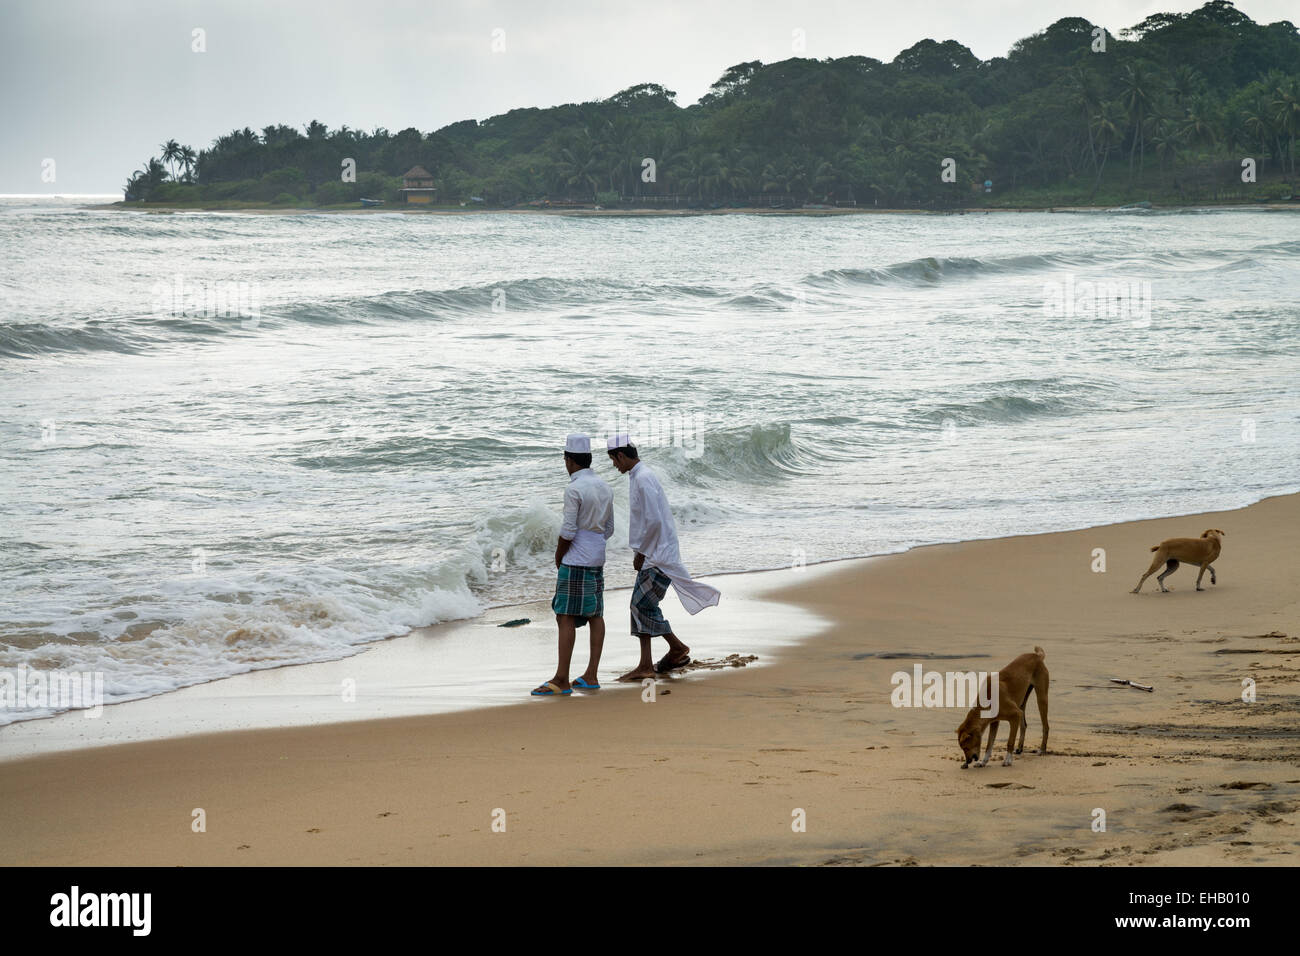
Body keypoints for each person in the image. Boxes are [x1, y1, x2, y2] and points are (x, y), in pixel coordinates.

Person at [605, 433, 720, 681]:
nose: (614, 466)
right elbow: (650, 519)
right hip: (657, 553)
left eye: (614, 460)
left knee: (640, 605)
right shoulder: (640, 476)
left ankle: (672, 650)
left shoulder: (643, 478)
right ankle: (653, 660)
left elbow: (654, 521)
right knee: (643, 606)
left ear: (621, 455)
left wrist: (642, 552)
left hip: (657, 556)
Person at [533, 433, 615, 696]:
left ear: (569, 460)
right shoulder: (604, 486)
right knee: (595, 615)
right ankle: (591, 674)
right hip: (597, 557)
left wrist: (559, 555)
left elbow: (568, 530)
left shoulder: (574, 489)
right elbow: (609, 529)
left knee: (565, 614)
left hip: (576, 559)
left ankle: (561, 679)